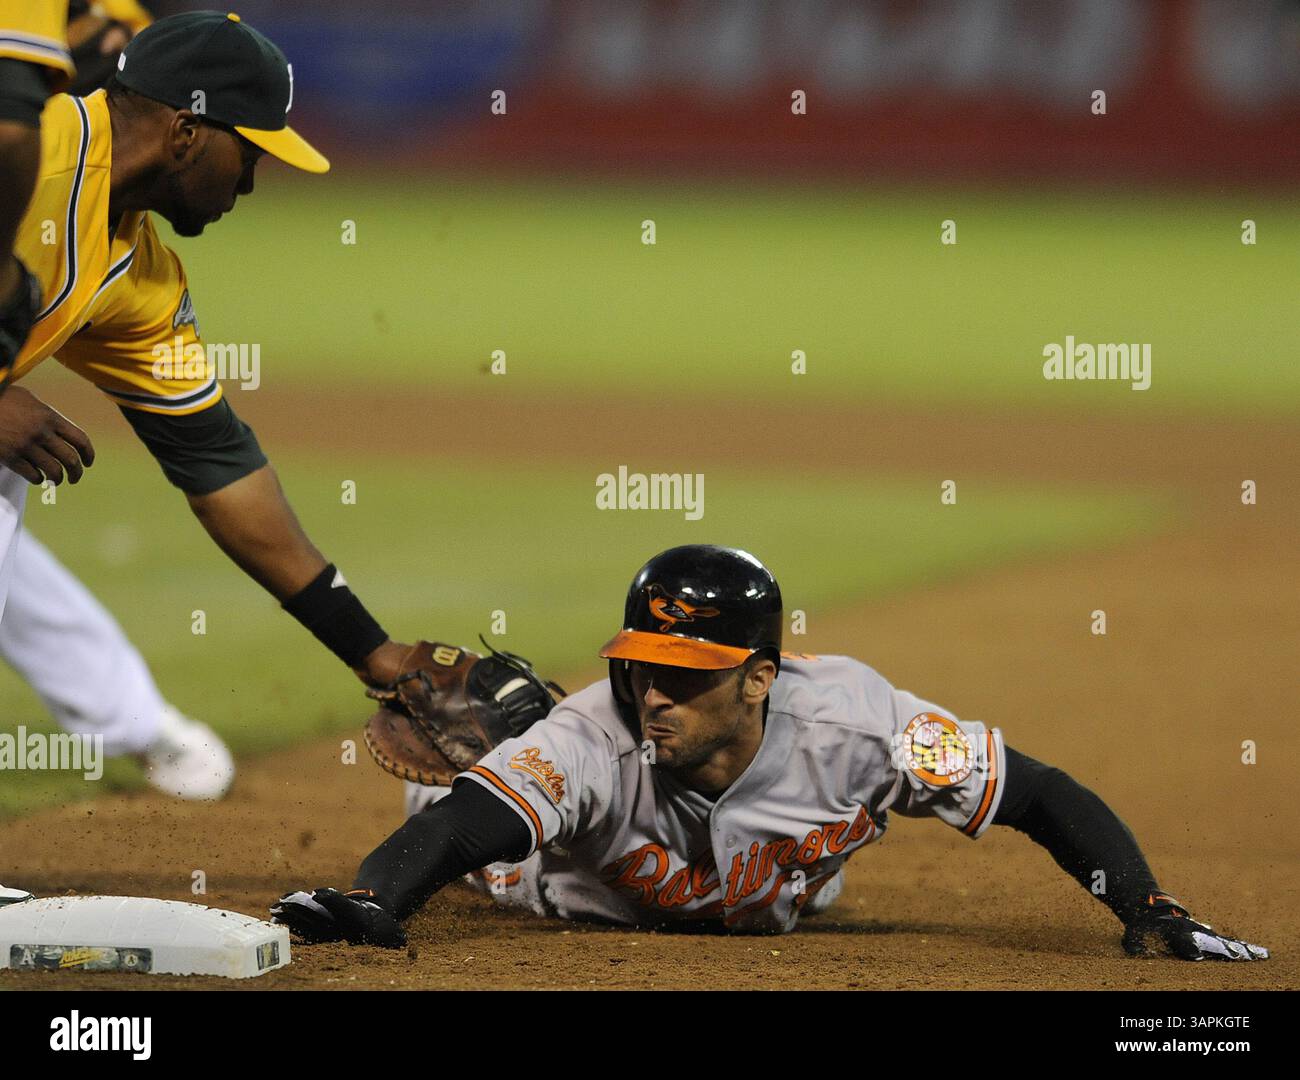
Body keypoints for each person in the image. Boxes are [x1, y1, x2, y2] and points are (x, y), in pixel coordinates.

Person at [272, 544, 1269, 962]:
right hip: (538, 875)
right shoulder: (596, 735)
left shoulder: (858, 726)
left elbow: (1037, 793)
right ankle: (505, 733)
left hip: (774, 886)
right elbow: (462, 827)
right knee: (518, 788)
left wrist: (1148, 907)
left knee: (776, 879)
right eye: (639, 669)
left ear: (761, 675)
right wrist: (372, 902)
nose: (652, 695)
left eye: (686, 676)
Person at [0, 11, 410, 751]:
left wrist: (376, 655)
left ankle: (130, 724)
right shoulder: (32, 147)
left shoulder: (139, 276)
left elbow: (219, 464)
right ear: (185, 130)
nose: (249, 184)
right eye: (248, 153)